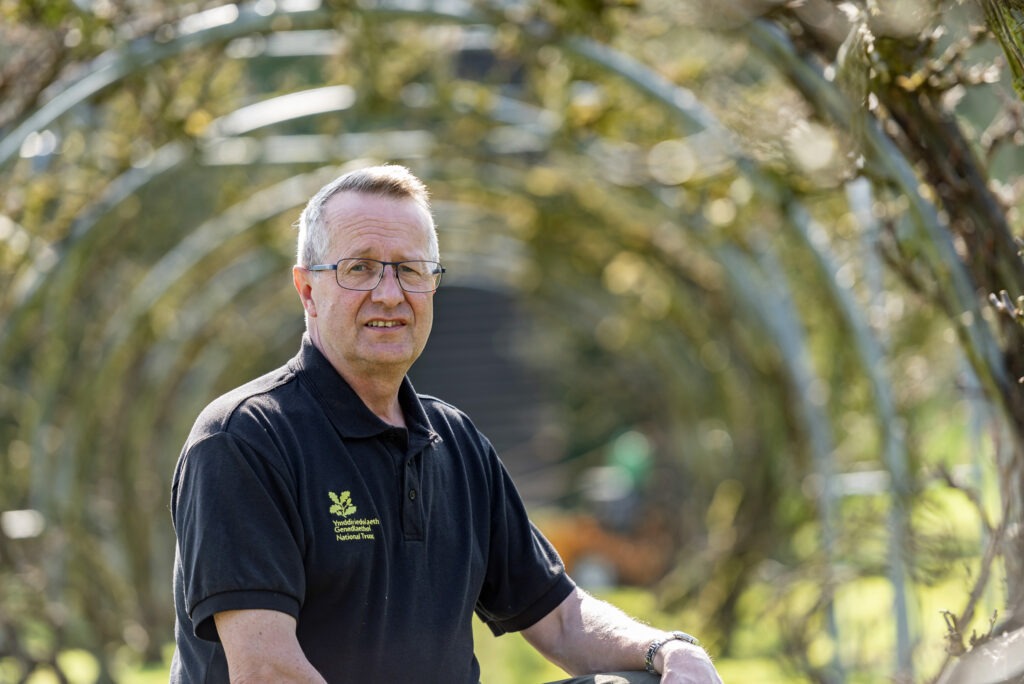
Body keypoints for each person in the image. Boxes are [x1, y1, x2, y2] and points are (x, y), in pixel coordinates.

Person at [170, 164, 724, 684]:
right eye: (359, 267)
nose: (390, 294)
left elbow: (558, 617)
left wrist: (668, 649)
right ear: (308, 288)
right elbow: (268, 673)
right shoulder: (243, 441)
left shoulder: (455, 444)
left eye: (410, 270)